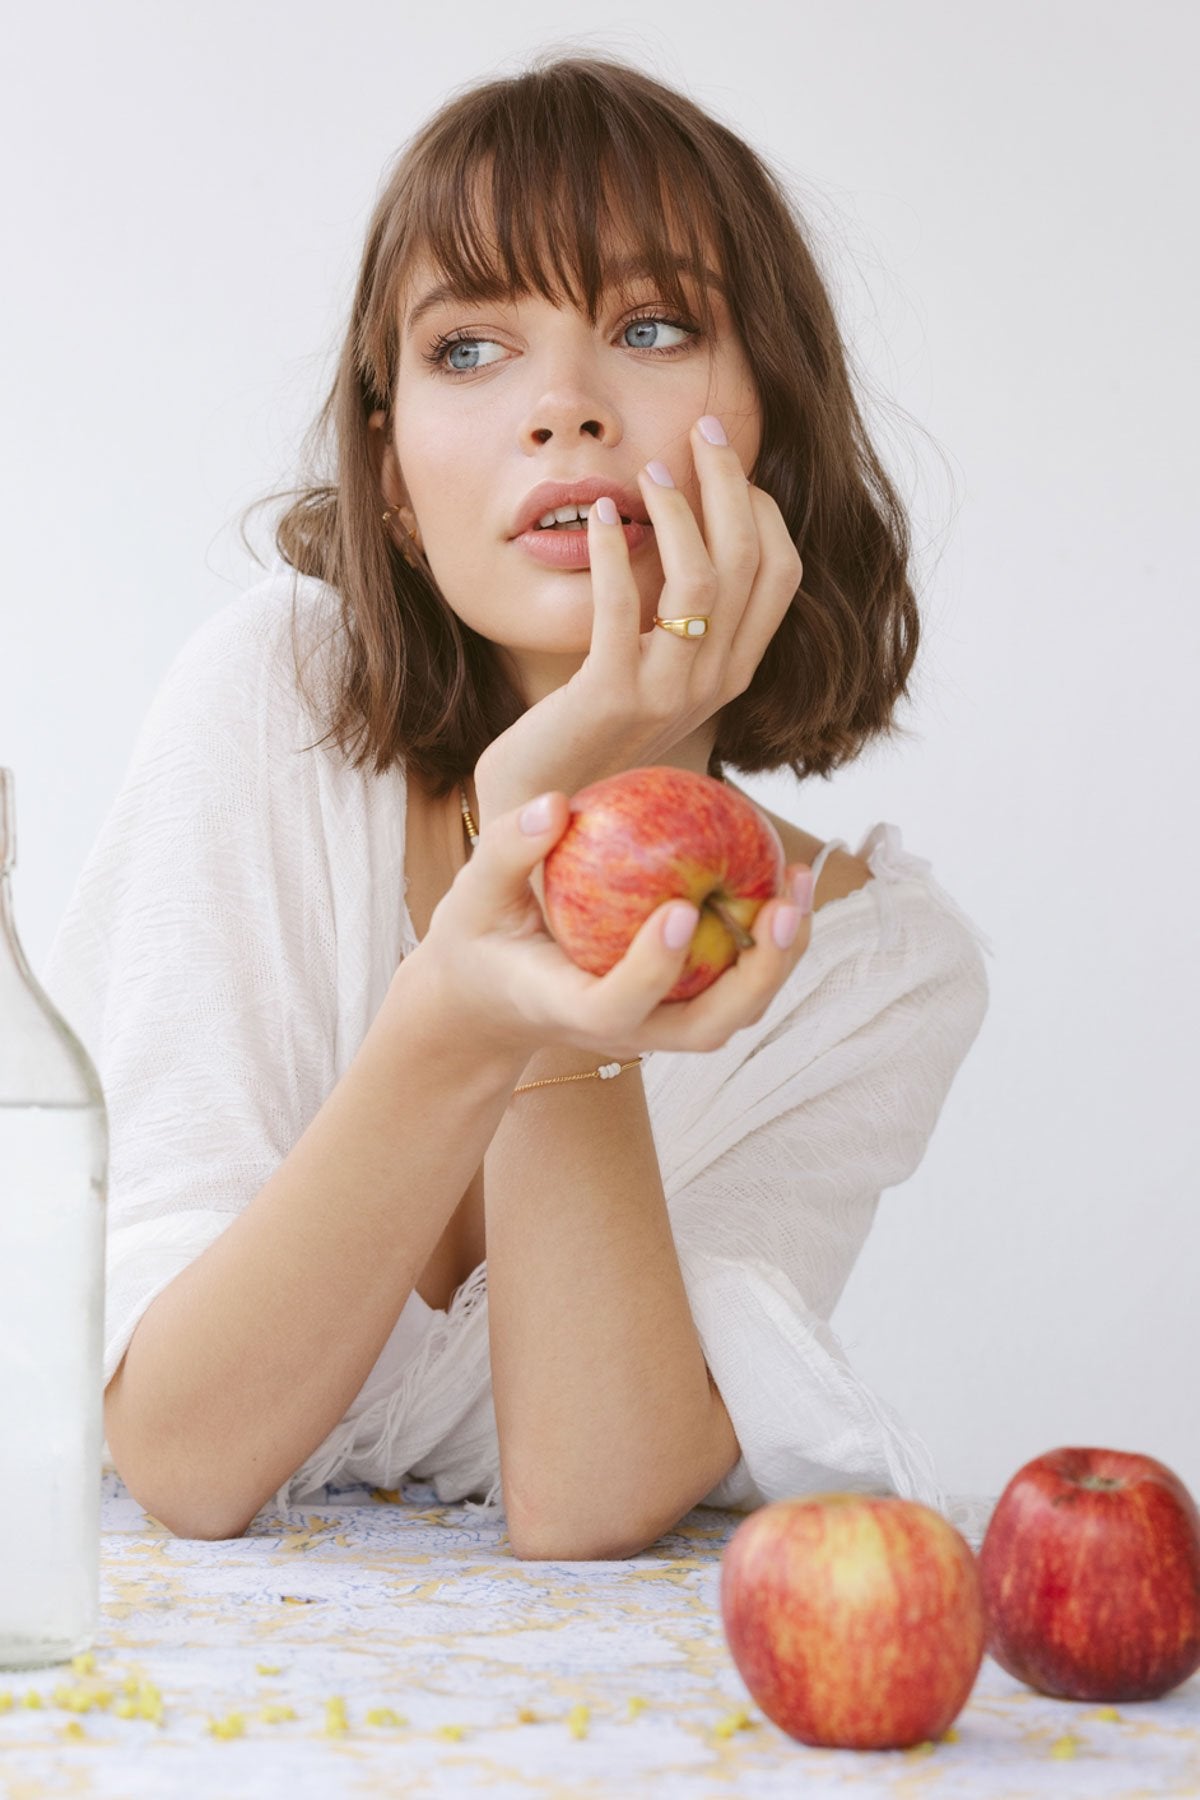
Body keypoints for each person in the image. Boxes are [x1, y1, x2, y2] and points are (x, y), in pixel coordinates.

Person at [41, 52, 992, 1555]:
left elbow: (590, 1500)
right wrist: (467, 1002)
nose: (563, 409)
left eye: (653, 328)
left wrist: (586, 824)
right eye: (471, 348)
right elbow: (187, 1456)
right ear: (391, 479)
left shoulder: (874, 974)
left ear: (779, 436)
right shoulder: (272, 704)